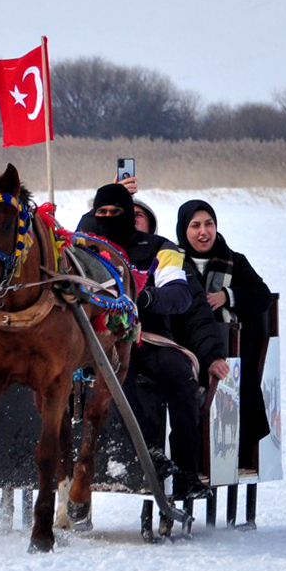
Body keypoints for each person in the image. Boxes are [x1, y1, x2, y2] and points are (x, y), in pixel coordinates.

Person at [78, 184, 227, 500]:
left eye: (115, 213)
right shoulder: (86, 250)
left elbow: (179, 294)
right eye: (100, 213)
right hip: (102, 343)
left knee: (181, 377)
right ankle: (149, 453)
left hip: (150, 339)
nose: (107, 218)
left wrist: (142, 296)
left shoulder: (161, 247)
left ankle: (187, 473)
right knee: (120, 377)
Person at [175, 199, 274, 468]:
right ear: (184, 229)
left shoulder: (234, 261)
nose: (203, 232)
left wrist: (227, 296)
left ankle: (235, 456)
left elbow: (261, 296)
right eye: (195, 225)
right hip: (189, 346)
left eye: (209, 224)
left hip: (232, 348)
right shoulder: (174, 261)